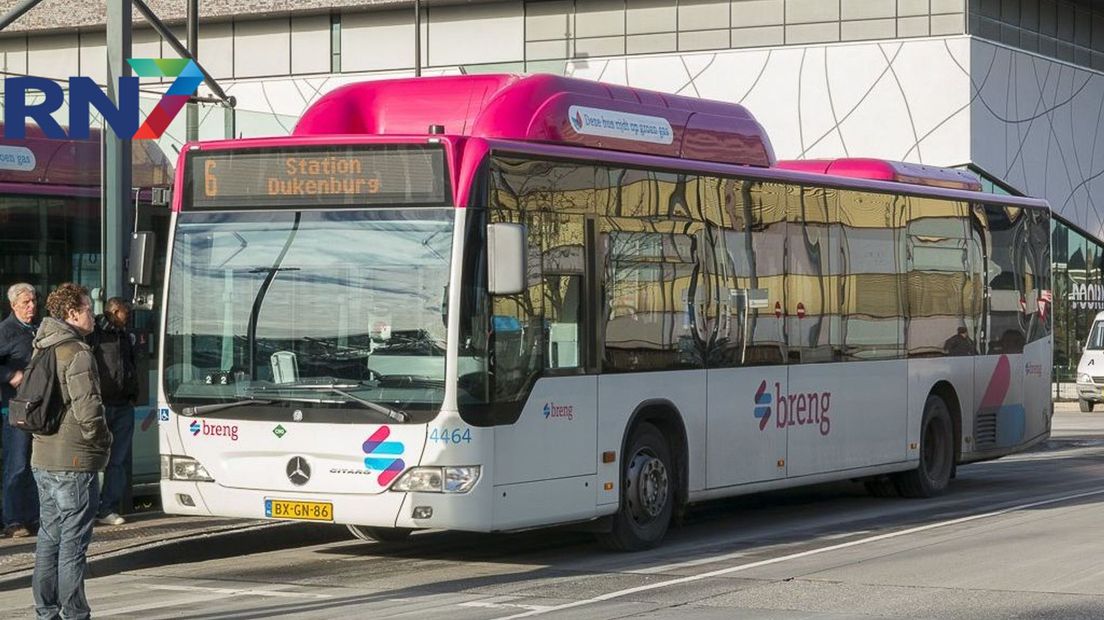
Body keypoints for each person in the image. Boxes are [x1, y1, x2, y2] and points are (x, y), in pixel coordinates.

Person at [31, 283, 111, 620]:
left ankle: (46, 611)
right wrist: (104, 440)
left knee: (49, 539)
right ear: (72, 313)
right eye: (87, 308)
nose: (92, 314)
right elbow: (88, 409)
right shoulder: (77, 351)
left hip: (43, 456)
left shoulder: (43, 346)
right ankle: (75, 614)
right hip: (74, 461)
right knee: (73, 545)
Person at [88, 297, 138, 526]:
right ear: (115, 311)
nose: (128, 317)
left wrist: (132, 395)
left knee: (117, 461)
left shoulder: (125, 336)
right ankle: (88, 508)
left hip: (123, 405)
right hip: (102, 405)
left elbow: (130, 366)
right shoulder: (95, 334)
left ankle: (107, 508)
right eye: (125, 312)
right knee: (92, 459)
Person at [0, 282, 41, 539]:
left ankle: (34, 516)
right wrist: (10, 374)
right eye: (26, 303)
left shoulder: (39, 329)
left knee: (36, 464)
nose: (31, 307)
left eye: (34, 301)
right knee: (16, 464)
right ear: (13, 305)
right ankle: (13, 520)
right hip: (14, 408)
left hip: (38, 408)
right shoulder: (6, 331)